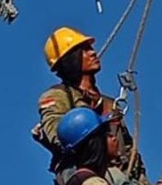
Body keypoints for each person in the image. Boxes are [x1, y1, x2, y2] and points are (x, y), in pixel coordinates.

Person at [34, 27, 114, 170]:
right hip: (90, 175)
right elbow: (57, 133)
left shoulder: (109, 105)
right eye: (85, 50)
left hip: (125, 183)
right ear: (71, 59)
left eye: (91, 48)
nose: (93, 52)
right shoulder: (56, 97)